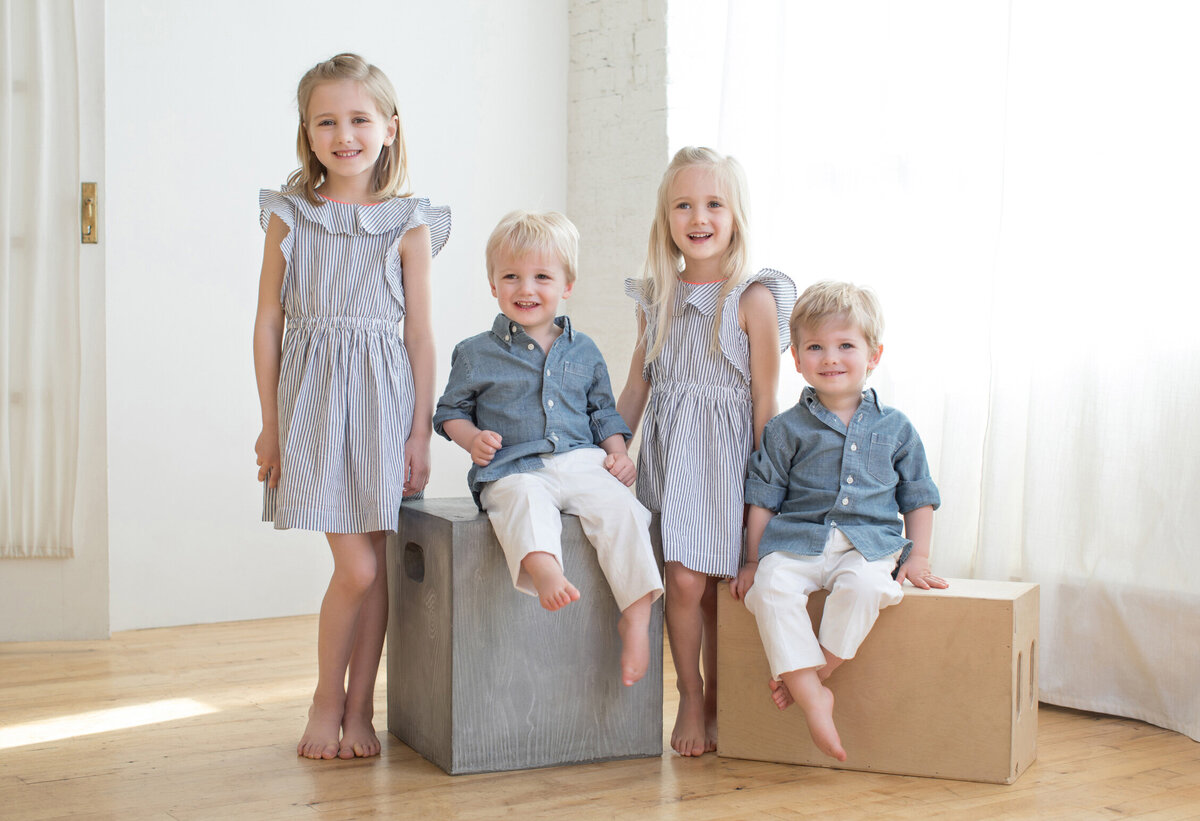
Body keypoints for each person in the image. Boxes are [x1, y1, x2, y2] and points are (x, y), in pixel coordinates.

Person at [253, 53, 450, 761]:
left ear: (390, 128)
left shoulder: (409, 222)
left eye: (359, 119)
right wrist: (271, 424)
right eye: (326, 121)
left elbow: (420, 335)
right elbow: (268, 321)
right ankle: (324, 697)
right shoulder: (291, 214)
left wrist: (419, 434)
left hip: (383, 405)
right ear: (307, 134)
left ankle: (362, 706)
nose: (344, 135)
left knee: (377, 562)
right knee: (358, 568)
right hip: (311, 404)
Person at [433, 210, 663, 686]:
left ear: (567, 285)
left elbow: (603, 413)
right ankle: (545, 572)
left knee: (624, 509)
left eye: (542, 276)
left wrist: (618, 453)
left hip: (581, 460)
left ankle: (636, 618)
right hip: (513, 466)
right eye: (511, 277)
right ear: (493, 284)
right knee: (522, 500)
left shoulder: (585, 350)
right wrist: (472, 439)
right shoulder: (475, 352)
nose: (526, 288)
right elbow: (449, 411)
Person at [617, 147, 795, 756]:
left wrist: (767, 485)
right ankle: (690, 696)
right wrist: (609, 446)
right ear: (666, 217)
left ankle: (720, 697)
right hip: (672, 459)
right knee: (683, 581)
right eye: (684, 204)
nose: (699, 217)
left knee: (720, 588)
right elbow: (640, 382)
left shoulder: (753, 298)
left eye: (714, 203)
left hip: (729, 462)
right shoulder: (656, 296)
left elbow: (767, 401)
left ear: (736, 215)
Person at [729, 280, 944, 762]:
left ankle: (813, 680)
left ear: (874, 354)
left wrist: (920, 555)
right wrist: (752, 561)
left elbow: (918, 495)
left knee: (869, 589)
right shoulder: (785, 429)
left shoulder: (896, 428)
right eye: (816, 347)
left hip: (869, 545)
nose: (831, 357)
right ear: (797, 358)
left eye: (846, 345)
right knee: (770, 589)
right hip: (798, 542)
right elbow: (763, 497)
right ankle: (813, 696)